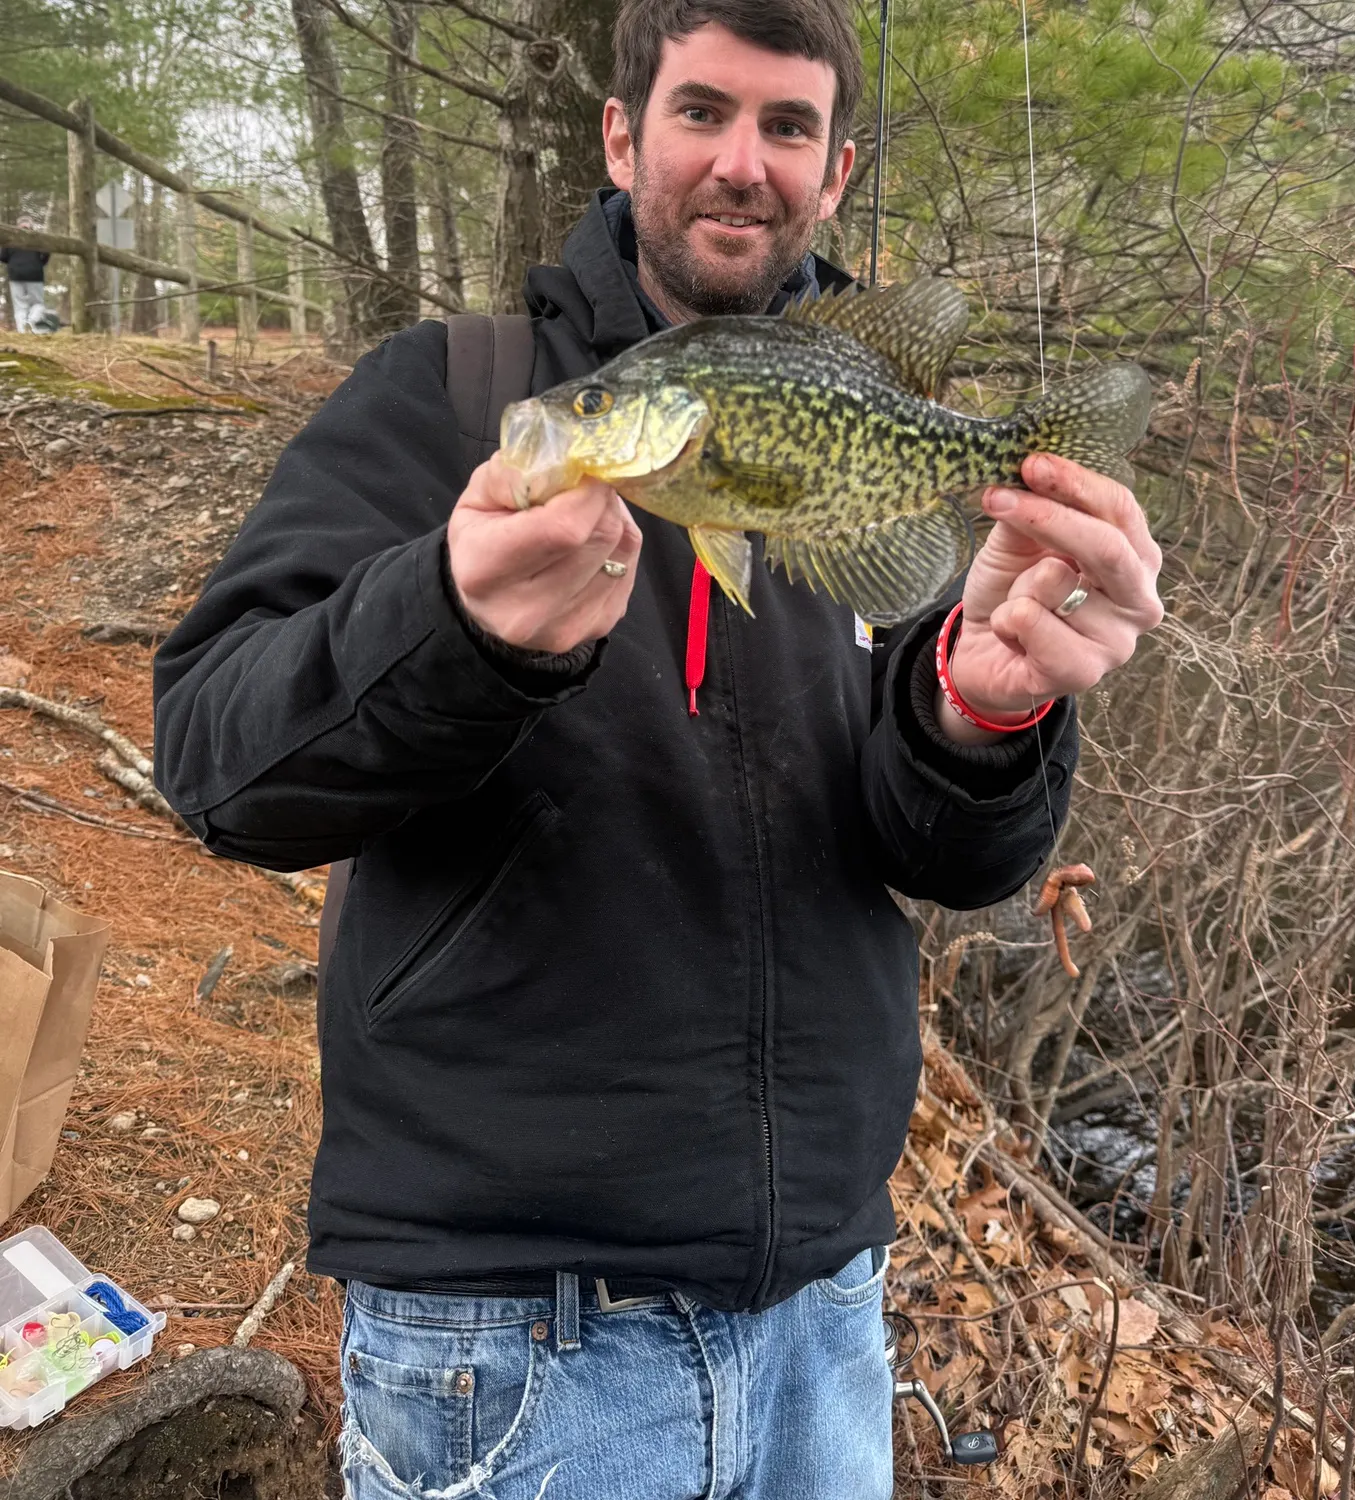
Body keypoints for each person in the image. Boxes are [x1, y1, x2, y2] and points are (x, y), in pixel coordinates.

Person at [153, 2, 1163, 1495]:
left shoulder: (858, 426)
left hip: (822, 1317)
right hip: (515, 1334)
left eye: (788, 127)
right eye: (702, 112)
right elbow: (217, 762)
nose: (741, 163)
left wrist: (987, 714)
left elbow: (941, 854)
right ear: (624, 136)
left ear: (836, 171)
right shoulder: (448, 400)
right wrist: (453, 623)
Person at [1, 219, 52, 334]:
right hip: (35, 274)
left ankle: (22, 330)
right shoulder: (37, 238)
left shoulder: (11, 238)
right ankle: (33, 322)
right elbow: (47, 253)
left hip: (15, 275)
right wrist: (39, 264)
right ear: (31, 226)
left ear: (18, 226)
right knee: (37, 303)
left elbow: (3, 256)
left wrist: (14, 263)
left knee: (19, 305)